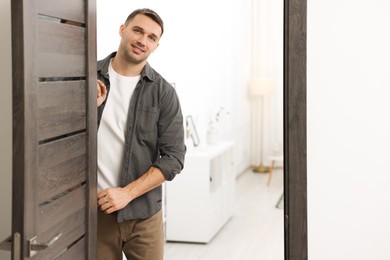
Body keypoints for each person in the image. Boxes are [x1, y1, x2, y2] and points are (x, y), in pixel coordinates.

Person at [95, 8, 186, 260]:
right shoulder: (86, 78)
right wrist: (84, 107)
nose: (142, 41)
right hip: (96, 213)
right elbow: (60, 136)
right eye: (138, 30)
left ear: (156, 45)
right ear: (123, 30)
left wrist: (127, 194)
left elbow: (174, 158)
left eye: (151, 37)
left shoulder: (164, 93)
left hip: (144, 216)